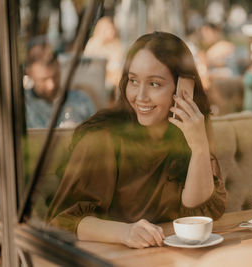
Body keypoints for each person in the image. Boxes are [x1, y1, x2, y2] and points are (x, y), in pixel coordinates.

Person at [47, 32, 227, 248]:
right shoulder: (102, 137)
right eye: (133, 81)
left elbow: (199, 215)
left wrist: (199, 147)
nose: (140, 96)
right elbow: (62, 220)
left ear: (183, 89)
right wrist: (125, 232)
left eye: (154, 84)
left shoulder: (191, 132)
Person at [25, 41, 96, 128]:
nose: (51, 85)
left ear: (59, 66)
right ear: (29, 74)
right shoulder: (23, 106)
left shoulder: (82, 101)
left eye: (55, 77)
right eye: (43, 80)